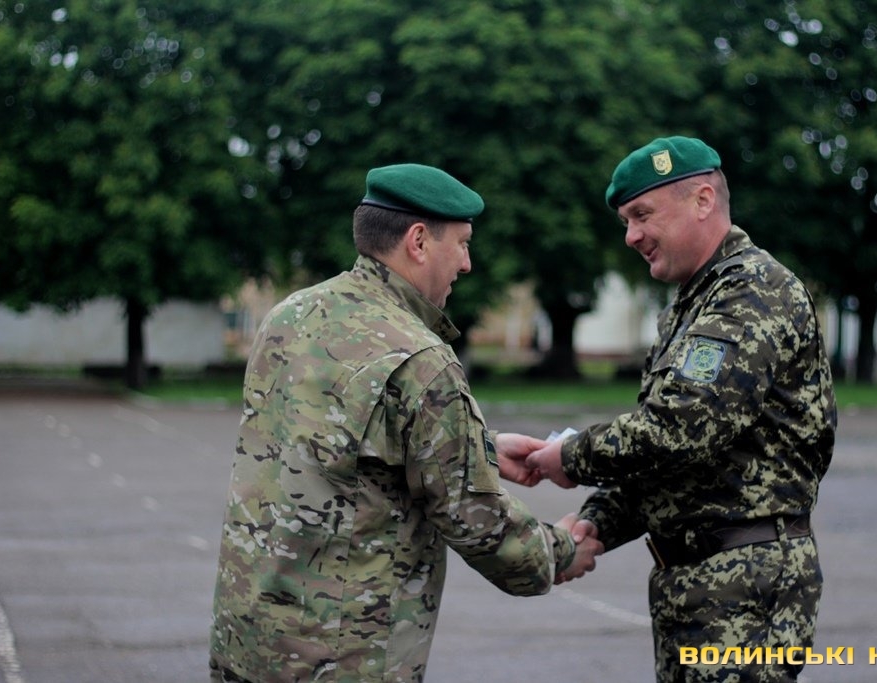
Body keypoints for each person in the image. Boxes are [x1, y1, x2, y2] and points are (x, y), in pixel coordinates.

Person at [209, 163, 603, 683]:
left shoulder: (290, 316)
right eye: (462, 244)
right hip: (343, 657)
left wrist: (481, 447)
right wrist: (562, 551)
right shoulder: (421, 359)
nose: (467, 263)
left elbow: (333, 443)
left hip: (248, 638)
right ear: (418, 241)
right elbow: (480, 524)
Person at [525, 136, 837, 682]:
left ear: (702, 200)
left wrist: (569, 457)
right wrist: (596, 522)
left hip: (743, 582)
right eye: (626, 221)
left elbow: (680, 428)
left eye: (642, 215)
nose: (631, 236)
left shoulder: (750, 292)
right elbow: (673, 462)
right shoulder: (694, 304)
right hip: (700, 581)